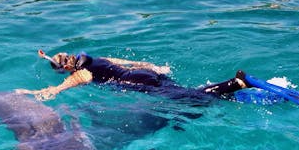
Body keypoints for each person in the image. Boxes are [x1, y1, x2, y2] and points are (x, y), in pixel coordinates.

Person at [16, 50, 250, 104]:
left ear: (65, 69)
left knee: (190, 97)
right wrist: (156, 67)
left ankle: (235, 84)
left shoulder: (80, 75)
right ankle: (224, 94)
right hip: (144, 73)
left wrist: (28, 93)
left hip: (138, 83)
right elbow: (131, 63)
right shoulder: (98, 59)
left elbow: (54, 92)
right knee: (187, 91)